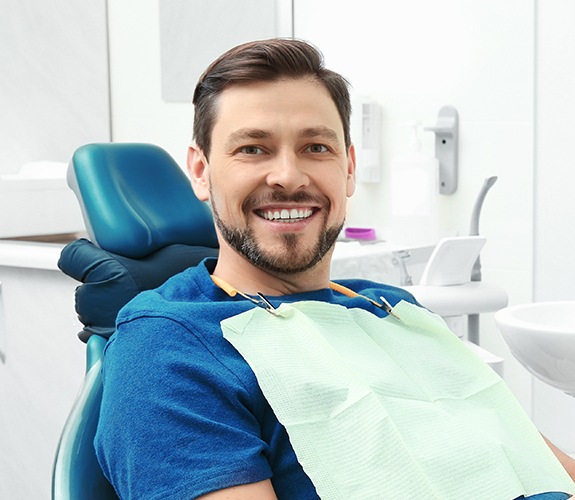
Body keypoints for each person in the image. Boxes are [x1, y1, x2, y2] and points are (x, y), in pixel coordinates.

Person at [94, 38, 575, 499]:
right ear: (201, 172)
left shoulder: (393, 308)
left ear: (347, 168)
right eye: (253, 148)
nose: (288, 175)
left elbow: (528, 452)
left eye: (315, 147)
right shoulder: (170, 349)